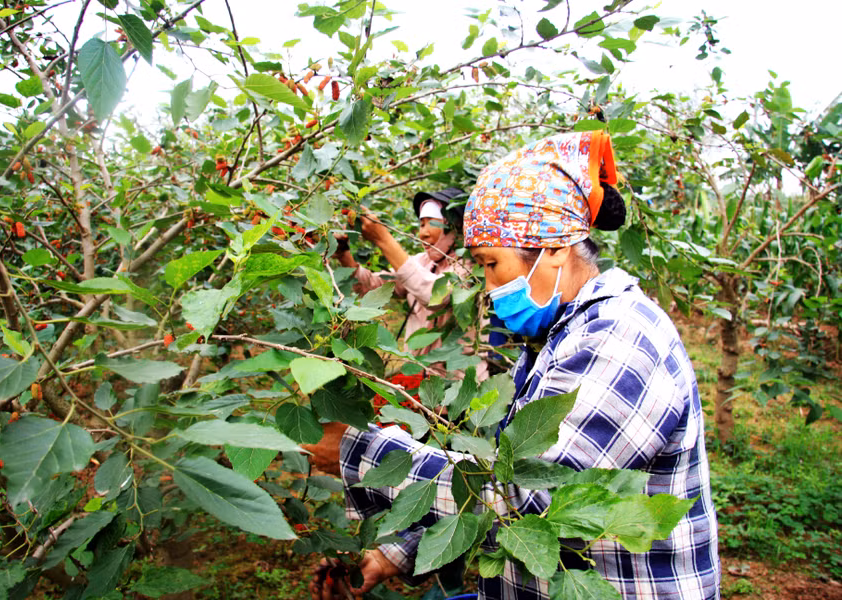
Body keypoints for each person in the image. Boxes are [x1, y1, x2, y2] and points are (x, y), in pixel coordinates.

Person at [305, 131, 720, 599]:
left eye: (491, 264)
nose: (487, 286)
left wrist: (357, 451)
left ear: (556, 248)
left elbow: (529, 503)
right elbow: (510, 480)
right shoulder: (557, 335)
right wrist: (395, 553)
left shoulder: (620, 339)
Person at [334, 187, 490, 381]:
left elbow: (434, 295)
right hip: (420, 378)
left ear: (455, 226)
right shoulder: (422, 262)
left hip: (458, 383)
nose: (422, 233)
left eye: (431, 222)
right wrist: (344, 255)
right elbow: (372, 286)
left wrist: (384, 239)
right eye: (421, 224)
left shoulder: (472, 267)